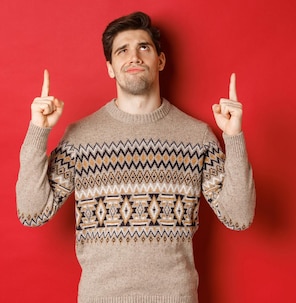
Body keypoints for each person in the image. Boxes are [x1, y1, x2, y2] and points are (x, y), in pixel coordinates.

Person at [16, 11, 255, 303]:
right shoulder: (80, 137)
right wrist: (38, 130)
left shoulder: (197, 137)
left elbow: (239, 217)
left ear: (161, 60)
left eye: (144, 47)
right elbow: (31, 212)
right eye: (122, 50)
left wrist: (234, 137)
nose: (134, 57)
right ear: (110, 68)